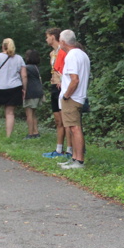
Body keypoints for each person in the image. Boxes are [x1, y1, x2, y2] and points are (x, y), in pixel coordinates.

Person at [56, 29, 90, 169]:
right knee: (71, 128)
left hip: (73, 97)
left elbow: (74, 80)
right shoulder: (82, 54)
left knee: (75, 128)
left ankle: (79, 161)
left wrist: (66, 95)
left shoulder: (71, 56)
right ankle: (74, 157)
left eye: (59, 40)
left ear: (63, 42)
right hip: (79, 96)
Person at [0, 38, 26, 139]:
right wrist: (24, 89)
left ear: (3, 46)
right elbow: (24, 75)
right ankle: (8, 136)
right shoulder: (19, 58)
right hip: (14, 87)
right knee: (10, 113)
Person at [41, 28, 72, 158]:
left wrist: (63, 80)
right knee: (58, 120)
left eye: (47, 36)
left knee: (66, 120)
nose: (46, 39)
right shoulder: (52, 53)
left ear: (53, 37)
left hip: (62, 87)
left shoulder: (64, 51)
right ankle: (59, 149)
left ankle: (70, 150)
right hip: (54, 86)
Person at [22, 49, 44, 138]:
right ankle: (36, 132)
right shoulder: (36, 67)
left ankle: (30, 133)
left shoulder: (26, 68)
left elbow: (24, 77)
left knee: (29, 114)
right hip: (38, 91)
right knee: (33, 113)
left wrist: (24, 89)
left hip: (30, 91)